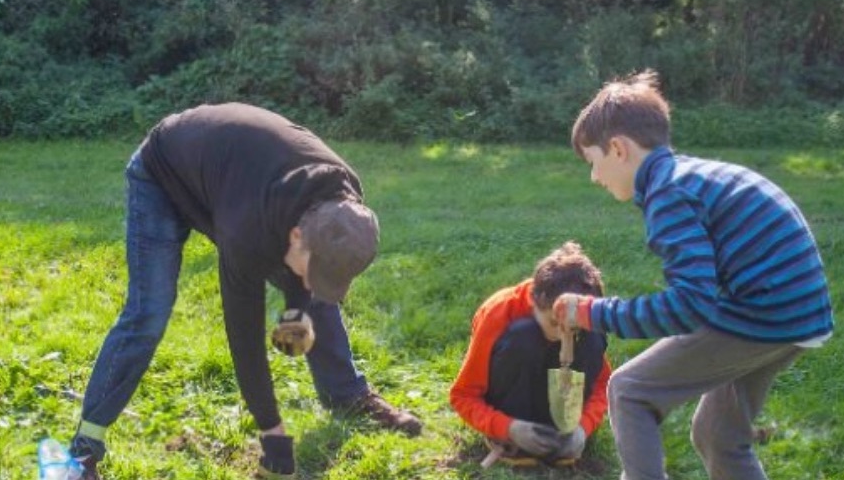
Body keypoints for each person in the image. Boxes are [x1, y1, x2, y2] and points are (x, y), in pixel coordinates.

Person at [66, 103, 423, 478]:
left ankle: (347, 395)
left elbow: (314, 272)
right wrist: (272, 433)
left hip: (234, 178)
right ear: (295, 235)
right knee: (148, 313)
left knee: (316, 287)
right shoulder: (248, 232)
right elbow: (245, 339)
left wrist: (297, 310)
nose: (311, 284)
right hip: (163, 171)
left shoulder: (345, 203)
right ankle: (84, 448)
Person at [553, 70, 834, 480]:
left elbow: (688, 307)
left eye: (592, 162)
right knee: (719, 435)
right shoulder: (688, 177)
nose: (594, 177)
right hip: (798, 313)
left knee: (630, 390)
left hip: (764, 314)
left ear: (617, 149)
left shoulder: (668, 193)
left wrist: (594, 313)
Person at [450, 241, 613, 466]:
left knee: (593, 339)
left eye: (573, 328)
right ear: (534, 301)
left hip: (563, 416)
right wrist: (508, 427)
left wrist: (583, 428)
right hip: (512, 412)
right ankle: (515, 441)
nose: (563, 334)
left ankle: (563, 435)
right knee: (524, 335)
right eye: (554, 323)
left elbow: (603, 385)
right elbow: (463, 395)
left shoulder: (585, 321)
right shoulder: (500, 311)